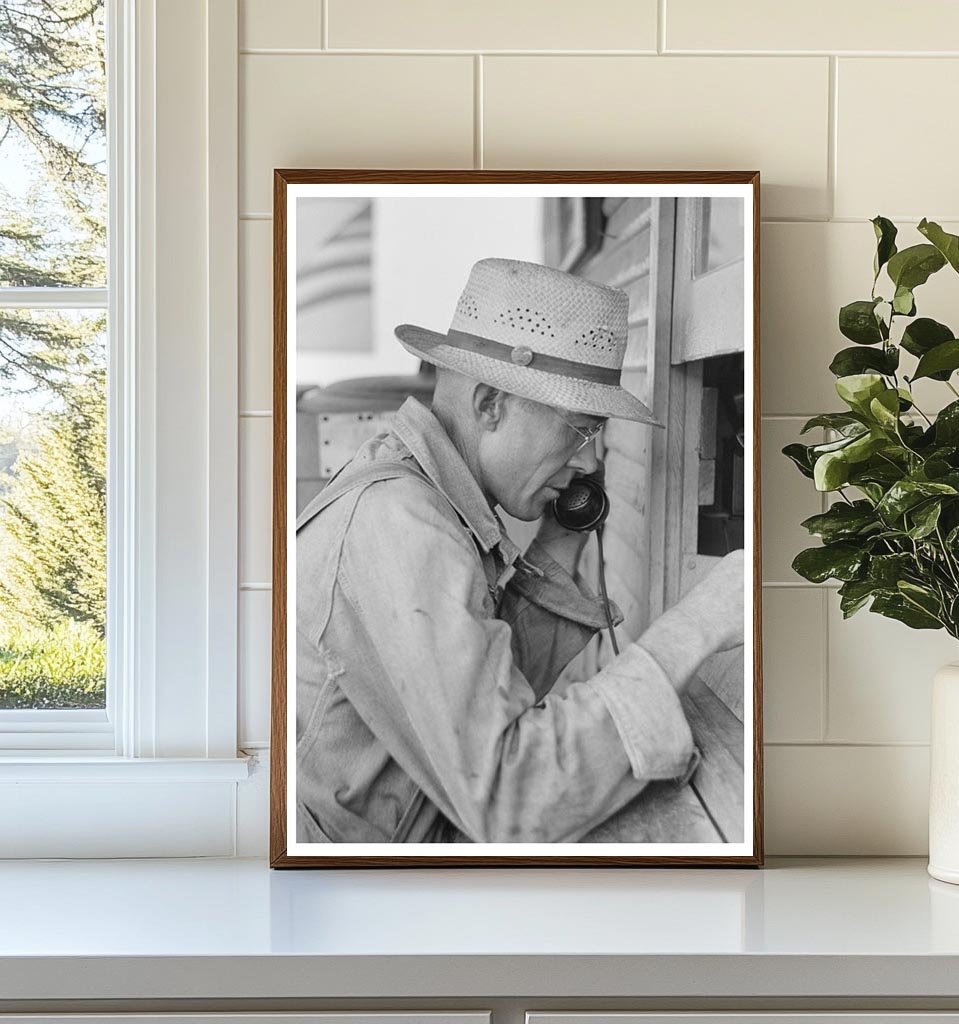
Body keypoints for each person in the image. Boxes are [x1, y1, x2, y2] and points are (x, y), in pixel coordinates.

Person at [295, 257, 744, 844]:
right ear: (490, 405)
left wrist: (558, 545)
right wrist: (698, 625)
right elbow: (514, 796)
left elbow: (482, 696)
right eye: (579, 429)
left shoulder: (426, 494)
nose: (589, 462)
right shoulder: (402, 524)